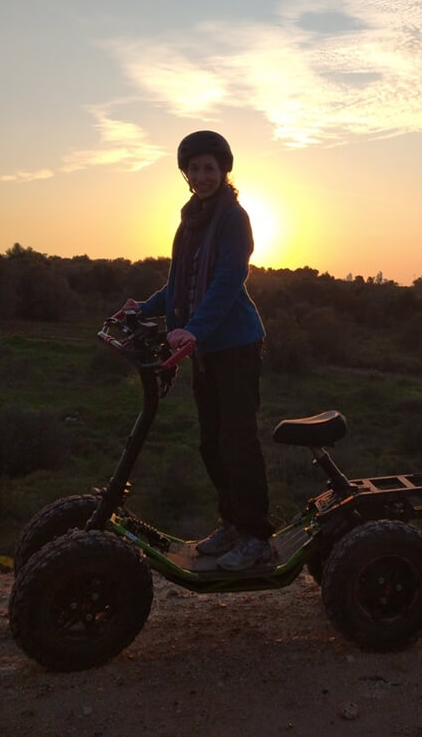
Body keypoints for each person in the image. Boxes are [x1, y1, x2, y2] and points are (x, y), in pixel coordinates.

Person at [118, 130, 272, 571]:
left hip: (236, 343)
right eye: (195, 168)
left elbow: (226, 281)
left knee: (238, 440)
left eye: (211, 168)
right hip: (203, 346)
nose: (203, 175)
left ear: (224, 171)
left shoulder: (232, 218)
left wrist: (192, 330)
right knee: (211, 442)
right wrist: (145, 309)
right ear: (185, 173)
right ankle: (232, 523)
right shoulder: (192, 218)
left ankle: (257, 536)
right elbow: (181, 283)